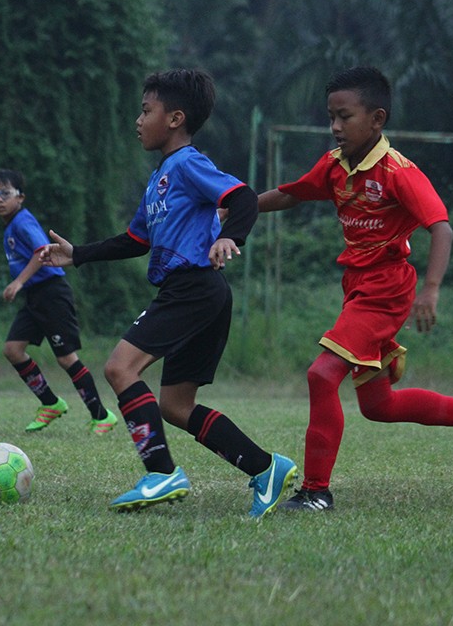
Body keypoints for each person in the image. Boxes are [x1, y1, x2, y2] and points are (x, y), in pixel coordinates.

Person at [256, 66, 453, 513]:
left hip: (385, 290)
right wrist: (235, 209)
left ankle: (315, 492)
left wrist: (432, 290)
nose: (335, 127)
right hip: (358, 289)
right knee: (378, 404)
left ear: (377, 119)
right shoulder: (334, 165)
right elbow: (291, 195)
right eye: (331, 117)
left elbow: (441, 229)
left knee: (321, 375)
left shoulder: (398, 172)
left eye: (344, 117)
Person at [39, 69, 297, 517]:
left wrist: (229, 237)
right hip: (197, 293)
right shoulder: (161, 177)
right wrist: (77, 254)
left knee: (121, 368)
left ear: (175, 118)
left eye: (146, 111)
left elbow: (244, 199)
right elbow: (135, 240)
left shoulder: (188, 164)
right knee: (176, 407)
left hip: (192, 288)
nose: (139, 120)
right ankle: (266, 467)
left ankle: (160, 472)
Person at [0, 168, 118, 435]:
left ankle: (102, 416)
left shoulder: (22, 221)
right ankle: (50, 403)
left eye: (5, 193)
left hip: (52, 293)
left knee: (67, 359)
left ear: (20, 197)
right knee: (13, 349)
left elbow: (42, 252)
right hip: (35, 297)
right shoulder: (10, 226)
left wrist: (18, 282)